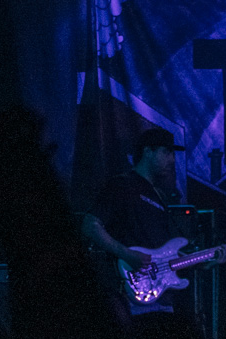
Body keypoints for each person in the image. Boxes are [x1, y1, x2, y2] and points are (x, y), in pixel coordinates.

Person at [81, 127, 210, 324]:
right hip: (129, 297)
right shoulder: (122, 185)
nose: (172, 160)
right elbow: (90, 225)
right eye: (166, 152)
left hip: (161, 298)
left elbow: (167, 254)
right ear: (148, 152)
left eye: (172, 154)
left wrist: (207, 259)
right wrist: (125, 253)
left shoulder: (160, 196)